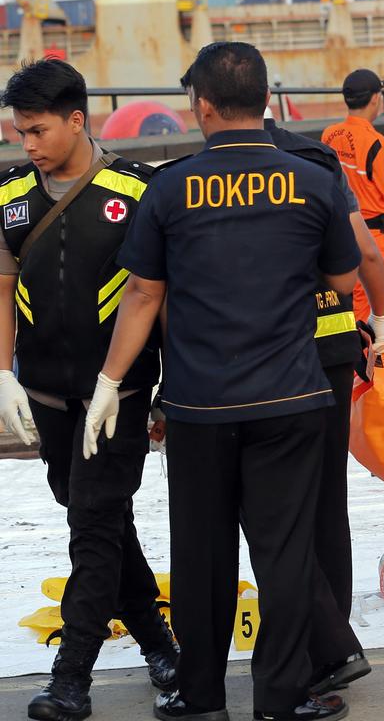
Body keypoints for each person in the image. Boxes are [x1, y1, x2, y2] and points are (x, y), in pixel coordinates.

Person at [82, 42, 361, 721]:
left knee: (202, 556)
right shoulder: (313, 180)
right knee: (286, 554)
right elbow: (344, 278)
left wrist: (108, 384)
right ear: (266, 100)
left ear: (200, 107)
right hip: (291, 397)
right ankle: (281, 699)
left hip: (200, 405)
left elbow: (143, 295)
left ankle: (200, 699)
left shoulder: (169, 187)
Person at [0, 59, 177, 721]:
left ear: (78, 120)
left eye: (39, 130)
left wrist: (166, 392)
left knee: (94, 527)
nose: (29, 144)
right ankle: (162, 648)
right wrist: (3, 372)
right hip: (46, 399)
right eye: (20, 132)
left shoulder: (137, 191)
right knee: (97, 524)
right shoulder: (9, 193)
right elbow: (3, 282)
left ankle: (70, 680)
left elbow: (159, 298)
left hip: (119, 397)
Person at [263, 107, 384, 692]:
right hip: (333, 348)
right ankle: (334, 642)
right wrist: (381, 317)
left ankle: (313, 644)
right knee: (326, 502)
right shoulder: (317, 160)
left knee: (276, 507)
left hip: (265, 357)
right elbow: (363, 252)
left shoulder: (213, 166)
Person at [322, 69, 384, 320]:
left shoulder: (329, 134)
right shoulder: (374, 141)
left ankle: (365, 360)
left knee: (358, 316)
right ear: (375, 98)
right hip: (382, 243)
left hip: (346, 239)